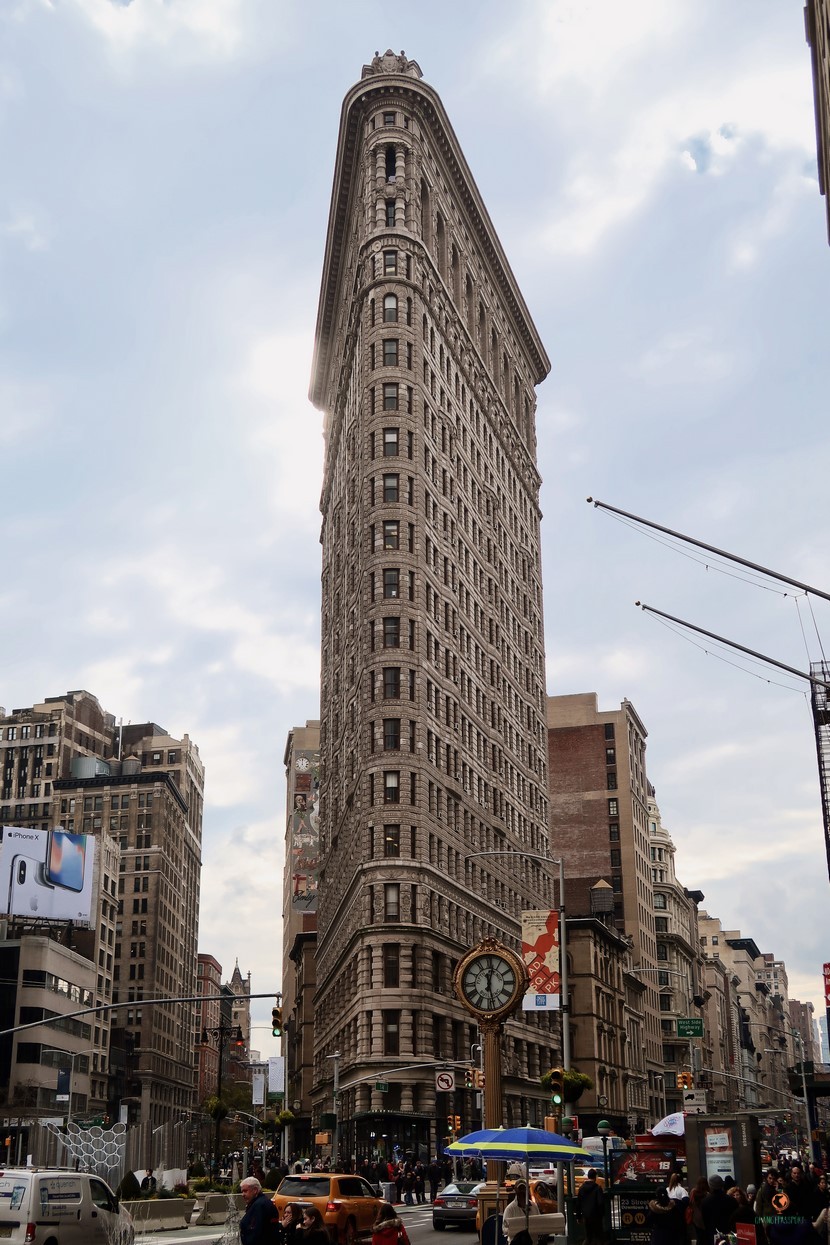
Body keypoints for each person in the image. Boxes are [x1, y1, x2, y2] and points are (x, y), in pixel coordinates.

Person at [239, 1177, 280, 1245]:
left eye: (245, 1191)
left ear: (255, 1190)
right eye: (242, 1191)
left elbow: (255, 1232)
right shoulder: (261, 1203)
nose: (242, 1194)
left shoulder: (260, 1205)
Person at [576, 1170, 605, 1245]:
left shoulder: (582, 1188)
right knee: (598, 1236)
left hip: (586, 1215)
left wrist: (578, 1216)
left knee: (588, 1236)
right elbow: (600, 1202)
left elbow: (578, 1203)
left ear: (588, 1176)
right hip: (596, 1216)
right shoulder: (597, 1188)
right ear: (595, 1177)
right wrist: (601, 1214)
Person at [701, 1176, 732, 1243]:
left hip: (712, 1234)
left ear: (710, 1186)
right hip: (729, 1233)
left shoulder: (705, 1202)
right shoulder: (731, 1200)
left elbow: (705, 1220)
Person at [688, 1178, 709, 1245]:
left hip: (695, 1218)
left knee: (699, 1236)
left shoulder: (693, 1192)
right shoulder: (707, 1194)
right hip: (705, 1218)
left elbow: (690, 1203)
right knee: (705, 1237)